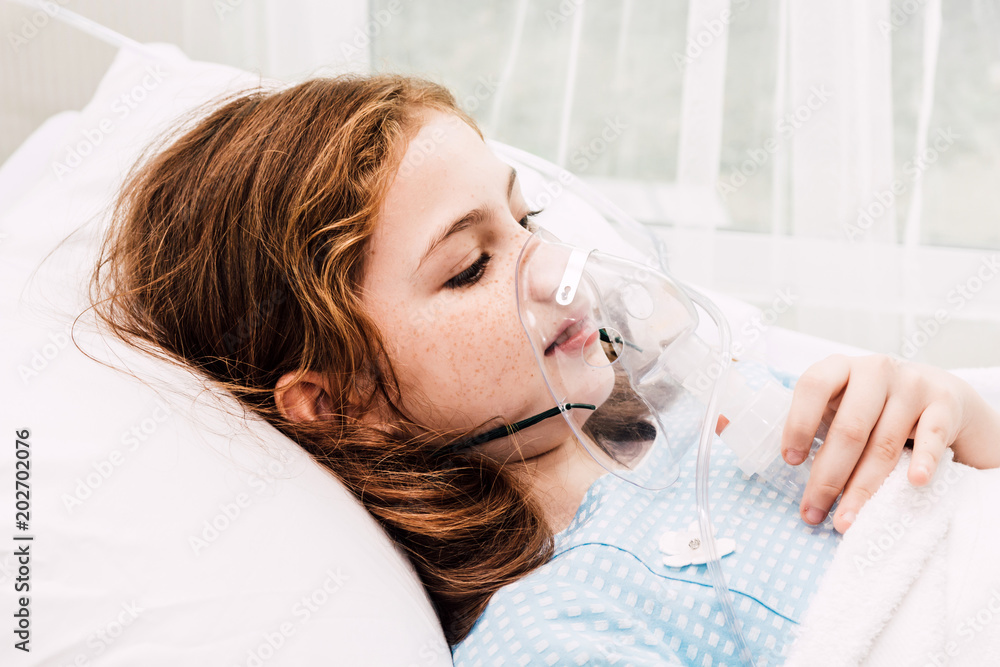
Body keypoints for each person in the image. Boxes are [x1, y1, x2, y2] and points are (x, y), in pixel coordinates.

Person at [89, 73, 1000, 664]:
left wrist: (955, 413)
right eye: (471, 265)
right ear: (339, 400)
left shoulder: (715, 415)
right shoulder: (562, 629)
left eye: (523, 221)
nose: (551, 268)